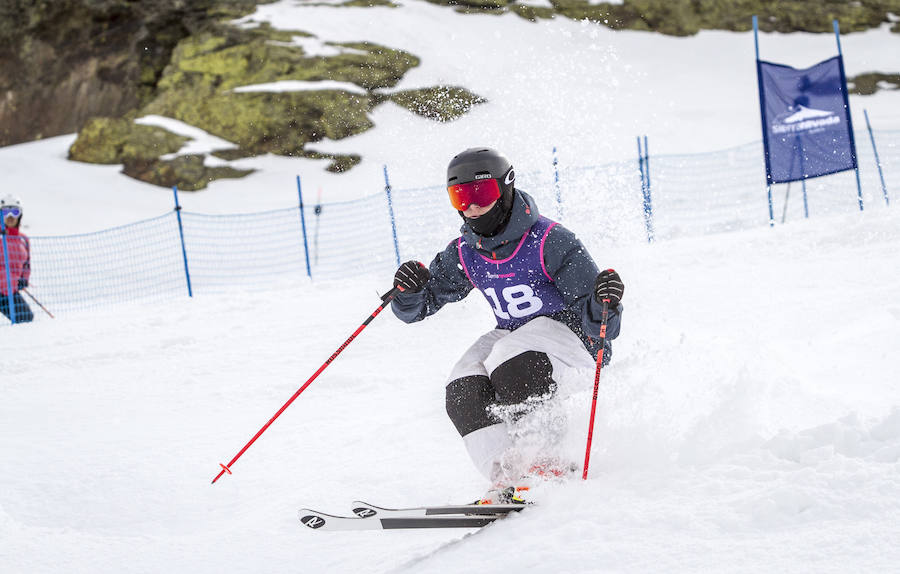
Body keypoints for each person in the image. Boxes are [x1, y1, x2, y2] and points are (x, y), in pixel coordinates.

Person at [389, 148, 624, 503]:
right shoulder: (467, 251)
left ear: (506, 189)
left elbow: (598, 320)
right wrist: (408, 291)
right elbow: (417, 308)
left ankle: (548, 464)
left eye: (480, 195)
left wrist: (605, 302)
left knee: (512, 360)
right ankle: (507, 476)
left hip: (576, 343)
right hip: (516, 336)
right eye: (460, 196)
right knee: (463, 385)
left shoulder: (550, 240)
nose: (470, 207)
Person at [0, 194, 34, 324]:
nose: (10, 216)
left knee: (25, 318)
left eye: (14, 212)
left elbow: (27, 264)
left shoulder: (23, 239)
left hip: (10, 289)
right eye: (5, 212)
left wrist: (23, 280)